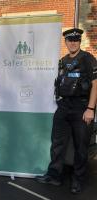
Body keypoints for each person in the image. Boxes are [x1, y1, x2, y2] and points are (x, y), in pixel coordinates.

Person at [36, 28, 97, 194]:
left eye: (76, 40)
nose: (73, 42)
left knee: (80, 147)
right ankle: (54, 175)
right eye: (70, 40)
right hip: (63, 108)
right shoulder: (62, 61)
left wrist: (90, 109)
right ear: (66, 42)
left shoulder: (87, 59)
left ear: (79, 41)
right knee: (57, 143)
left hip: (81, 108)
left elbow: (95, 84)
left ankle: (77, 180)